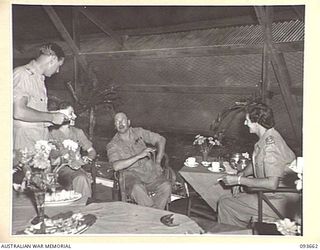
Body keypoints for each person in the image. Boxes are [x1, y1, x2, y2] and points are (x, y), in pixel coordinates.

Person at [218, 103, 299, 227]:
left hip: (281, 202)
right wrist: (243, 173)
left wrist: (239, 180)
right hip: (273, 195)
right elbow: (257, 161)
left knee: (226, 204)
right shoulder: (268, 136)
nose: (245, 123)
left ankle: (231, 238)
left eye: (247, 120)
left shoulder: (271, 146)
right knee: (231, 199)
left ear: (257, 122)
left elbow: (272, 184)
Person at [106, 112, 171, 210]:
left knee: (166, 186)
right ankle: (155, 215)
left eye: (123, 120)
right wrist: (138, 156)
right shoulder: (112, 144)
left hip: (149, 173)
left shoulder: (138, 132)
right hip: (130, 176)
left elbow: (161, 139)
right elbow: (116, 166)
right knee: (137, 188)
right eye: (117, 121)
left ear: (128, 122)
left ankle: (152, 214)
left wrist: (157, 162)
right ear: (115, 126)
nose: (120, 123)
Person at [13, 42, 68, 151]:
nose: (57, 71)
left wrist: (57, 116)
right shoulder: (22, 74)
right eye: (58, 66)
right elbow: (19, 112)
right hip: (23, 144)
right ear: (52, 59)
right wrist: (52, 117)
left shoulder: (39, 79)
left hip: (36, 141)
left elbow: (34, 112)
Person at [49, 102, 96, 202]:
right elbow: (52, 159)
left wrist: (89, 157)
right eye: (71, 113)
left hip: (76, 168)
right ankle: (83, 207)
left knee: (82, 178)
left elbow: (92, 151)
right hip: (58, 170)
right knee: (81, 178)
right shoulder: (51, 133)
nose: (75, 116)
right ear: (62, 115)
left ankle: (83, 208)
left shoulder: (78, 132)